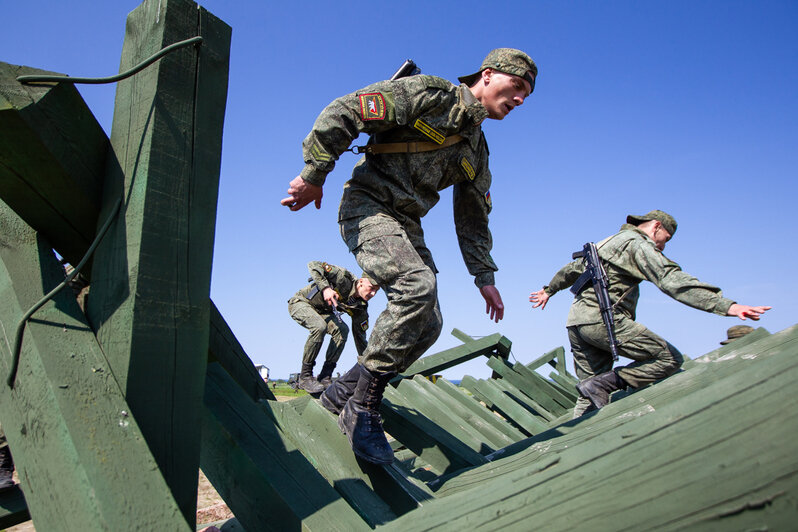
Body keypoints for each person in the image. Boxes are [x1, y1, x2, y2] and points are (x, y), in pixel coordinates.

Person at [281, 48, 537, 464]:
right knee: (417, 287)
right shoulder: (432, 95)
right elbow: (345, 111)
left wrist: (484, 276)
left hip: (407, 224)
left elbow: (473, 219)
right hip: (368, 205)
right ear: (488, 75)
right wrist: (315, 175)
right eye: (518, 86)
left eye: (528, 94)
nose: (522, 99)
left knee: (429, 322)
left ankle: (342, 393)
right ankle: (362, 406)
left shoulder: (477, 150)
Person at [530, 210, 771, 417]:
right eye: (664, 239)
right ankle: (607, 383)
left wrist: (548, 290)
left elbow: (569, 270)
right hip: (606, 321)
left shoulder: (606, 242)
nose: (662, 247)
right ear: (656, 227)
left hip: (577, 323)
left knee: (588, 393)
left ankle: (575, 445)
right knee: (669, 359)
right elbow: (670, 279)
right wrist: (726, 305)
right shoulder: (636, 243)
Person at [288, 261, 379, 394]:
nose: (373, 294)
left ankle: (325, 375)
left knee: (343, 330)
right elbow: (313, 264)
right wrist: (325, 288)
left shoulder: (360, 307)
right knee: (319, 327)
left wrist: (370, 367)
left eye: (377, 291)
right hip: (301, 303)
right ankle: (305, 376)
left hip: (324, 313)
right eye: (371, 288)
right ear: (360, 282)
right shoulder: (342, 278)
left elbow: (360, 339)